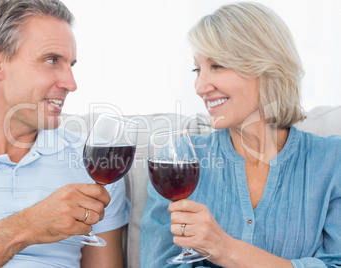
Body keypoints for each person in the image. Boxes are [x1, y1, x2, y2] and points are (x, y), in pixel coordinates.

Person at [141, 2, 341, 267]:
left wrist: (226, 250)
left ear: (267, 68)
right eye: (197, 69)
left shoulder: (332, 162)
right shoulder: (177, 163)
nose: (200, 87)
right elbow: (161, 263)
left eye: (218, 65)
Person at [0, 0, 128, 267]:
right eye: (51, 60)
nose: (71, 84)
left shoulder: (96, 164)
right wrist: (24, 228)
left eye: (70, 64)